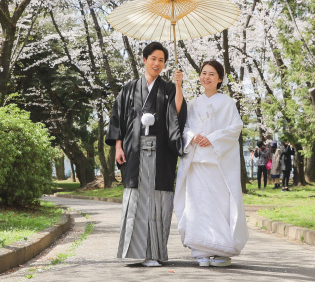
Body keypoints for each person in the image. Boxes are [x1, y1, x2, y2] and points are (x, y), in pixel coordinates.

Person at [106, 42, 185, 267]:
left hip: (161, 153)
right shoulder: (130, 87)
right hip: (134, 150)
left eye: (161, 60)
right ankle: (137, 251)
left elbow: (177, 116)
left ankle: (155, 253)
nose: (157, 63)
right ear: (144, 60)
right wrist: (118, 146)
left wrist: (178, 87)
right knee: (137, 198)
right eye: (153, 59)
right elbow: (117, 118)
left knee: (158, 200)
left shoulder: (169, 88)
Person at [174, 60, 248, 267]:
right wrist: (193, 135)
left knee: (219, 205)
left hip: (217, 164)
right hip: (197, 162)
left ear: (220, 79)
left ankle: (222, 250)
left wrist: (213, 138)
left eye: (212, 74)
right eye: (203, 73)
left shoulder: (227, 103)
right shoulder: (193, 103)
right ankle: (201, 250)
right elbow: (185, 127)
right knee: (198, 205)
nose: (206, 77)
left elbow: (235, 127)